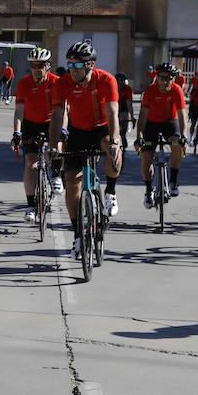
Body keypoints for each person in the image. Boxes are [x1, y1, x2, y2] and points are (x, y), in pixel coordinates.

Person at [50, 41, 123, 261]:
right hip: (77, 131)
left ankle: (110, 191)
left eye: (78, 64)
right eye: (70, 63)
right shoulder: (63, 83)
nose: (73, 68)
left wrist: (116, 141)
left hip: (101, 129)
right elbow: (56, 115)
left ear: (91, 64)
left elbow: (112, 112)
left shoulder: (106, 80)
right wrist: (54, 145)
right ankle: (78, 235)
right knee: (72, 180)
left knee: (110, 148)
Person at [10, 47, 61, 224]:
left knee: (56, 147)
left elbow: (62, 111)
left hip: (51, 121)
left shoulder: (56, 82)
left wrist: (62, 130)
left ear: (48, 66)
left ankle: (56, 174)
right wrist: (16, 132)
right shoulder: (24, 83)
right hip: (30, 124)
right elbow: (19, 112)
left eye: (40, 65)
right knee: (30, 163)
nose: (36, 69)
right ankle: (31, 206)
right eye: (33, 65)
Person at [136, 63, 187, 205]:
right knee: (146, 158)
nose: (166, 82)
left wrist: (184, 135)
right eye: (162, 78)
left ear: (174, 79)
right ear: (156, 77)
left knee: (177, 146)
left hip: (169, 123)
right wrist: (139, 137)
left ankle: (173, 181)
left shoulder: (176, 90)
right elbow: (143, 116)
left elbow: (182, 115)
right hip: (151, 124)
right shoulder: (150, 91)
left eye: (170, 78)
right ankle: (148, 190)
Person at [115, 73, 135, 139]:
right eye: (118, 83)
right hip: (114, 107)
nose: (120, 85)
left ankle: (123, 135)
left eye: (121, 83)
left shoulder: (128, 89)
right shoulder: (112, 88)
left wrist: (131, 117)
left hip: (124, 108)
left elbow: (129, 104)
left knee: (123, 130)